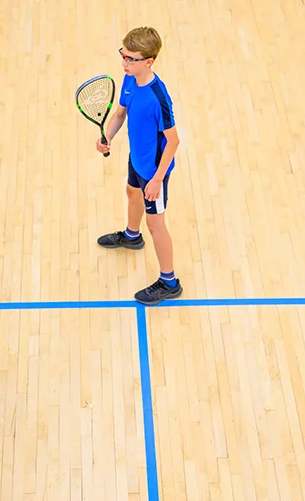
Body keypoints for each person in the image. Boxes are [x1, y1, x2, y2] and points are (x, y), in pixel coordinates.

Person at [95, 26, 183, 305]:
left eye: (130, 59)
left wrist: (157, 179)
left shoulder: (158, 98)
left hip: (154, 170)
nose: (124, 62)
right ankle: (132, 237)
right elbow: (121, 113)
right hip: (137, 158)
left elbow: (173, 141)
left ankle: (169, 282)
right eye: (123, 55)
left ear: (149, 61)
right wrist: (107, 136)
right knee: (131, 193)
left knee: (156, 225)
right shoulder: (130, 79)